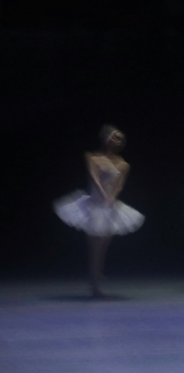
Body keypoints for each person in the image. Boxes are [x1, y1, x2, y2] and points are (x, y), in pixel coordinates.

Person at [54, 125, 144, 297]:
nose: (119, 141)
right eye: (116, 137)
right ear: (106, 138)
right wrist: (104, 195)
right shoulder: (92, 157)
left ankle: (96, 278)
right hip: (93, 205)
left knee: (103, 245)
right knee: (95, 245)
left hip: (109, 206)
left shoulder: (123, 164)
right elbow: (94, 177)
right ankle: (94, 281)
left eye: (121, 139)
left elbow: (120, 184)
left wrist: (112, 197)